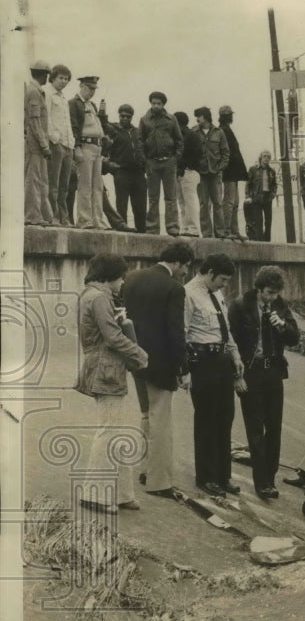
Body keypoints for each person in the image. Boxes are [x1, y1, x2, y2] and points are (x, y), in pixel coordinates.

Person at [77, 253, 149, 513]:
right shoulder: (99, 298)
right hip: (106, 369)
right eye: (120, 278)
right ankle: (94, 494)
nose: (122, 283)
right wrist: (139, 354)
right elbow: (112, 338)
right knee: (109, 430)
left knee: (116, 429)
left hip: (105, 368)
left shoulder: (92, 295)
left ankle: (122, 493)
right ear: (108, 276)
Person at [121, 242, 194, 502]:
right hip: (160, 364)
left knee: (145, 415)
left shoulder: (131, 278)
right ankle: (159, 481)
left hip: (134, 358)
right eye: (186, 267)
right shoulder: (174, 288)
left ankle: (145, 469)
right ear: (178, 263)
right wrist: (183, 369)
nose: (186, 273)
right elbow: (177, 333)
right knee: (161, 420)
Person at [228, 266, 300, 500]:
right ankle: (262, 482)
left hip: (273, 372)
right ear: (259, 289)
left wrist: (282, 326)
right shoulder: (240, 306)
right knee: (255, 428)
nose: (271, 297)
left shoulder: (280, 306)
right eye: (268, 292)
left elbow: (295, 338)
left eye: (275, 293)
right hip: (251, 372)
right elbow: (230, 343)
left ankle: (270, 475)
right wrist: (237, 376)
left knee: (275, 427)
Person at [184, 253, 243, 498]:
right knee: (206, 419)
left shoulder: (216, 294)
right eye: (222, 279)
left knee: (225, 417)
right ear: (209, 273)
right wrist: (185, 370)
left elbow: (225, 330)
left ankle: (222, 475)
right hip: (203, 361)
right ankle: (206, 476)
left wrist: (235, 355)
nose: (224, 285)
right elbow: (183, 332)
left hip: (221, 360)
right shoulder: (188, 294)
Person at [139, 91, 183, 235]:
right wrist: (145, 161)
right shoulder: (144, 120)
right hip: (152, 163)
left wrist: (175, 158)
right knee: (153, 198)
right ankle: (152, 227)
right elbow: (140, 141)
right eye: (153, 103)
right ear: (150, 103)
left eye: (159, 103)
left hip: (169, 162)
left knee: (170, 197)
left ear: (163, 104)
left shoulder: (172, 120)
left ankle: (172, 227)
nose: (156, 106)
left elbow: (179, 141)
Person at [68, 75, 108, 230]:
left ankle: (98, 219)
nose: (92, 92)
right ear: (82, 86)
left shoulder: (92, 105)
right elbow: (74, 126)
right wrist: (76, 147)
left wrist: (103, 115)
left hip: (96, 147)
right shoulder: (74, 103)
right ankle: (85, 220)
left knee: (97, 185)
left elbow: (100, 126)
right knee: (85, 185)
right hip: (84, 146)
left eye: (94, 89)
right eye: (90, 88)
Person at [101, 103, 146, 231]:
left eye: (128, 116)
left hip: (138, 173)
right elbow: (102, 124)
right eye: (122, 116)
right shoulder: (113, 129)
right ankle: (122, 230)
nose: (125, 119)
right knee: (122, 205)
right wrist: (102, 111)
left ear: (132, 117)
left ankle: (142, 232)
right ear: (119, 115)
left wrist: (144, 165)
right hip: (121, 172)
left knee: (141, 206)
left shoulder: (137, 132)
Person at [194, 107, 231, 238]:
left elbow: (226, 152)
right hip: (201, 174)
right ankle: (206, 233)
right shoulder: (194, 132)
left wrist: (221, 167)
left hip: (215, 173)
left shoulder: (219, 132)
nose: (197, 119)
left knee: (218, 203)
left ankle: (220, 232)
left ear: (206, 117)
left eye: (199, 116)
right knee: (203, 204)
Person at [25, 59, 54, 226]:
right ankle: (32, 216)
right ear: (42, 74)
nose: (47, 78)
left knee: (41, 181)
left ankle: (43, 215)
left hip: (39, 146)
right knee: (34, 181)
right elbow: (34, 122)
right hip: (35, 145)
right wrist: (44, 145)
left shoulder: (36, 91)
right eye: (46, 75)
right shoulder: (33, 92)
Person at [46, 63, 74, 226]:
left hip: (68, 144)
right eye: (60, 78)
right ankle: (54, 216)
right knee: (54, 183)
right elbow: (47, 118)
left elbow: (67, 122)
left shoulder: (63, 97)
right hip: (56, 143)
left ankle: (65, 217)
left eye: (66, 79)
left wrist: (72, 142)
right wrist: (54, 138)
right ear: (53, 78)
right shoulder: (48, 94)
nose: (63, 81)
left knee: (65, 184)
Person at [219, 104, 248, 239]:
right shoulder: (224, 130)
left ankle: (233, 230)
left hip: (233, 172)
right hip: (230, 171)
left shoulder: (225, 130)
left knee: (234, 202)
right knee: (230, 201)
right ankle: (227, 230)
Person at [174, 111, 203, 237]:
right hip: (182, 171)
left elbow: (197, 154)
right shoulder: (184, 135)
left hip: (188, 171)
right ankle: (186, 227)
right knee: (182, 200)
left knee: (189, 200)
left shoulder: (191, 135)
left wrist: (184, 165)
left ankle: (194, 228)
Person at [245, 150, 277, 242]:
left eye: (268, 157)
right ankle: (260, 241)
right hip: (257, 197)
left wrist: (273, 194)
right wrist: (248, 196)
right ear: (261, 158)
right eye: (264, 156)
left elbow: (274, 184)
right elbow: (248, 184)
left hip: (267, 197)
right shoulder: (253, 169)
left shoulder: (271, 171)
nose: (266, 158)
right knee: (258, 221)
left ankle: (267, 240)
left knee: (268, 221)